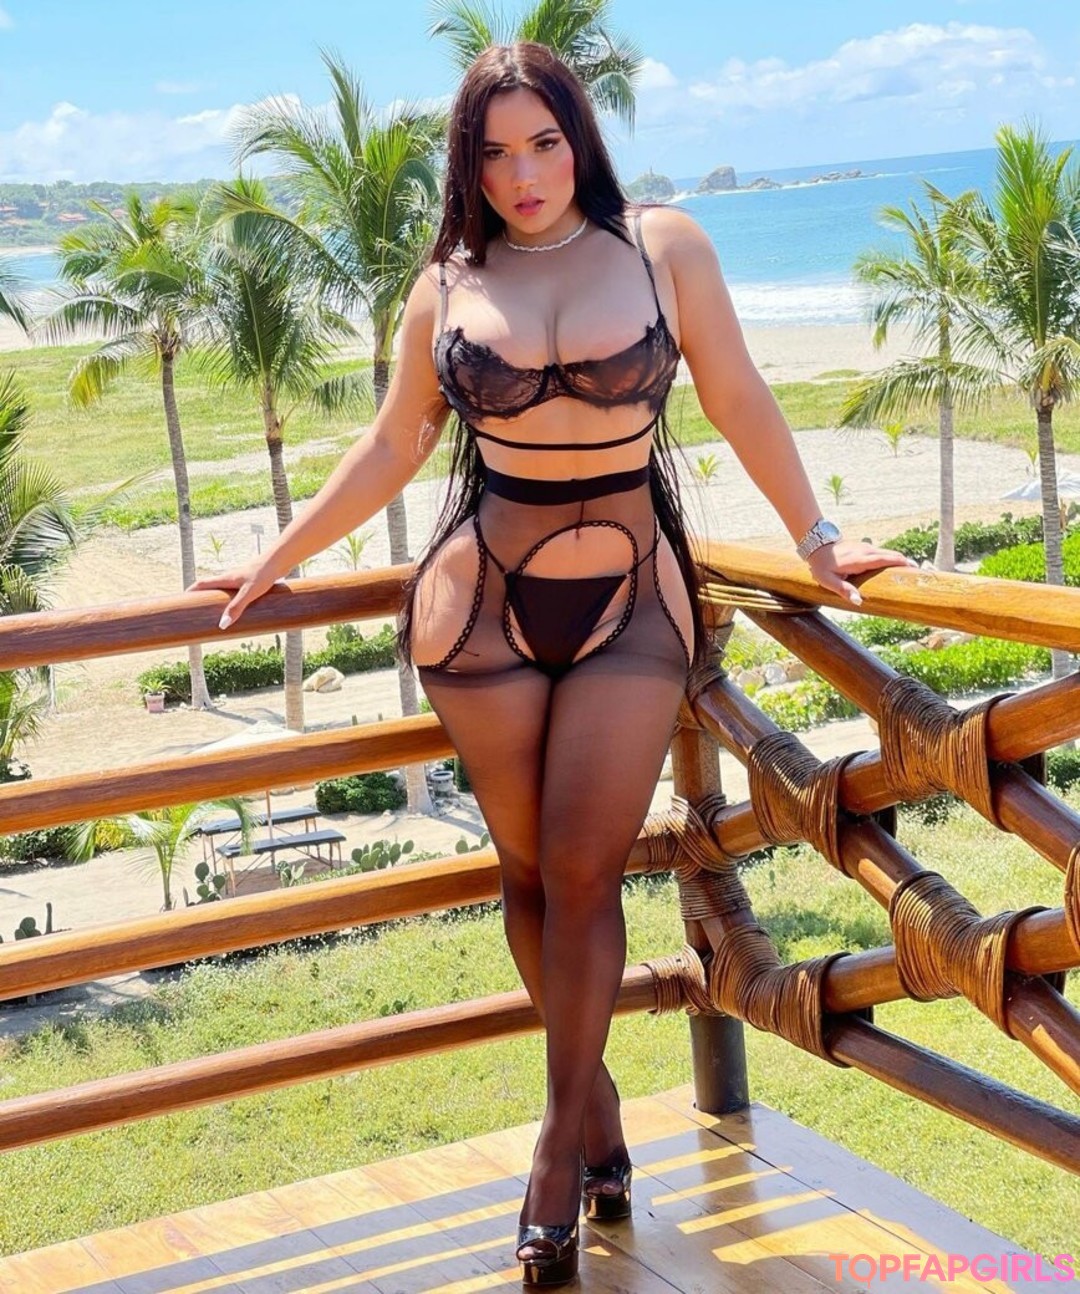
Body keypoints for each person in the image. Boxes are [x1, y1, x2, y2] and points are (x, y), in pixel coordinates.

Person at [191, 42, 914, 1288]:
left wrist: (819, 538)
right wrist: (277, 558)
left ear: (579, 138)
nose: (522, 174)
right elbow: (393, 445)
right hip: (480, 605)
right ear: (467, 166)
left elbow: (738, 394)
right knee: (528, 870)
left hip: (634, 601)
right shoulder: (447, 282)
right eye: (494, 152)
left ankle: (552, 1150)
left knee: (582, 869)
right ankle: (600, 1108)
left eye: (543, 142)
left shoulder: (663, 246)